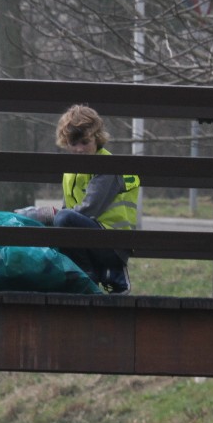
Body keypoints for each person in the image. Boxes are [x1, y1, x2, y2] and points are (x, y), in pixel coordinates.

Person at [53, 104, 140, 294]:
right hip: (89, 239)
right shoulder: (71, 170)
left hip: (113, 244)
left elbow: (88, 210)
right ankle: (87, 277)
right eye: (73, 143)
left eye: (85, 142)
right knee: (56, 224)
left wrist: (52, 215)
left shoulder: (106, 165)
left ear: (97, 138)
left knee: (62, 219)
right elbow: (68, 210)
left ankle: (105, 273)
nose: (79, 149)